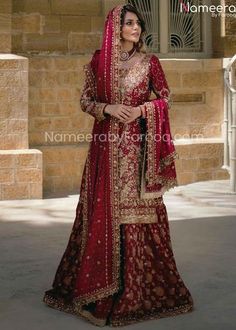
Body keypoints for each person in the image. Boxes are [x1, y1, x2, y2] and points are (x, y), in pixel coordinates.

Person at [43, 4, 194, 327]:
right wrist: (109, 107)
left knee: (138, 212)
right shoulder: (98, 62)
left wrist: (142, 112)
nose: (136, 28)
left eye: (138, 23)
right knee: (103, 212)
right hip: (106, 152)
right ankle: (97, 292)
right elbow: (85, 100)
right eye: (129, 23)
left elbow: (164, 98)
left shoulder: (150, 62)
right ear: (115, 27)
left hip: (139, 152)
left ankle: (137, 293)